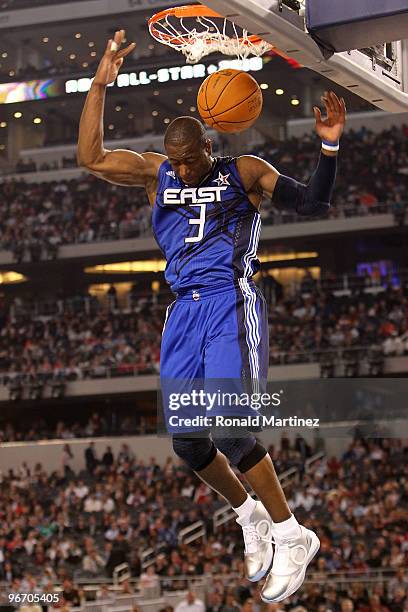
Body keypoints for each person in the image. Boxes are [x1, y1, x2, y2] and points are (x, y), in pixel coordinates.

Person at [77, 29, 346, 604]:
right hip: (183, 313)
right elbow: (91, 158)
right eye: (175, 160)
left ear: (208, 144)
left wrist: (328, 148)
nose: (183, 167)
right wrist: (101, 81)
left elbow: (313, 203)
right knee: (189, 443)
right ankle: (249, 514)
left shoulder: (243, 172)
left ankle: (292, 533)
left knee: (230, 427)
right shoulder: (158, 174)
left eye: (190, 158)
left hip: (230, 300)